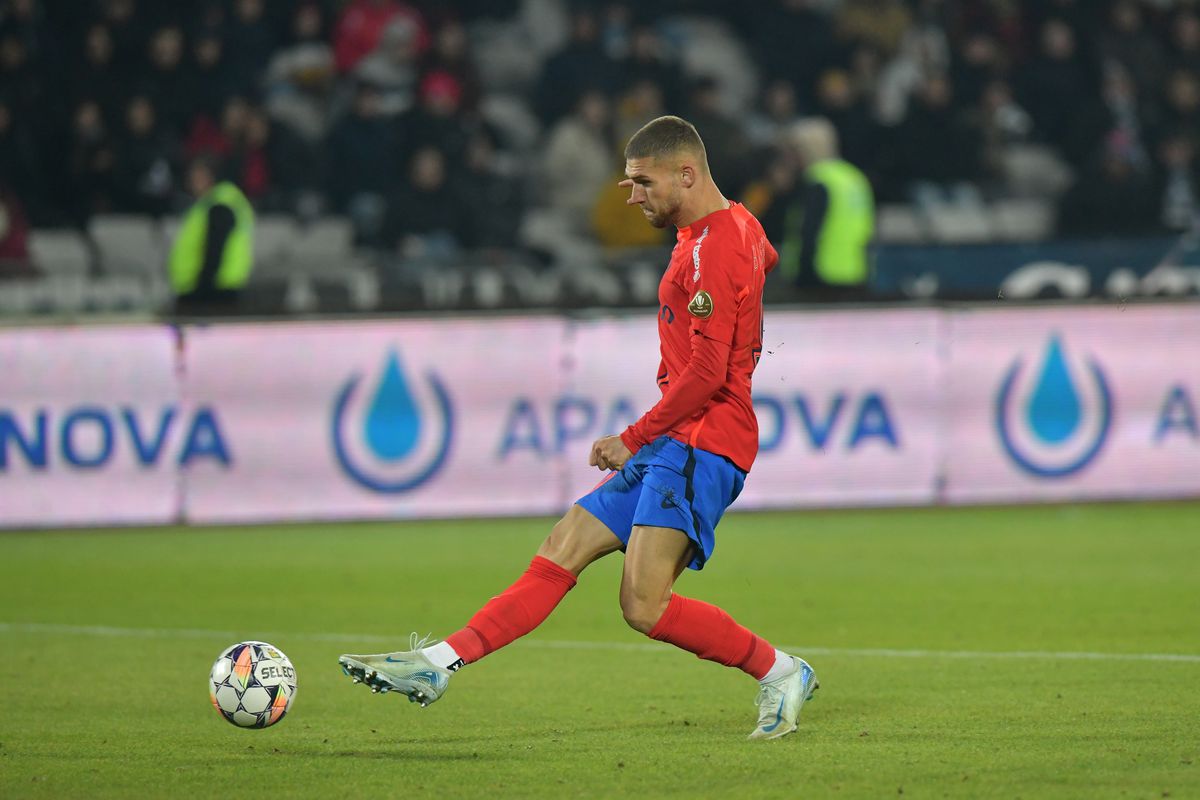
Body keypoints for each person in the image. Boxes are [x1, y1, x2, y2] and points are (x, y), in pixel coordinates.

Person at [339, 116, 819, 740]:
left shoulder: (716, 243)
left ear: (687, 173)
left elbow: (705, 373)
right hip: (679, 438)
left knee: (642, 607)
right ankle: (437, 663)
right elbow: (763, 258)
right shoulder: (732, 230)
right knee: (561, 547)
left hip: (702, 441)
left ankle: (781, 671)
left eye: (642, 182)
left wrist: (633, 438)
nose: (632, 195)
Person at [774, 117, 874, 298]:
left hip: (818, 277)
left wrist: (801, 276)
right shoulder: (853, 177)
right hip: (854, 271)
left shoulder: (818, 180)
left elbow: (808, 231)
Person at [167, 157, 254, 314]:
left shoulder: (219, 204)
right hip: (216, 287)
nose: (193, 181)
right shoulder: (216, 201)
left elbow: (214, 249)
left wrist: (202, 289)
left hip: (213, 291)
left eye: (198, 176)